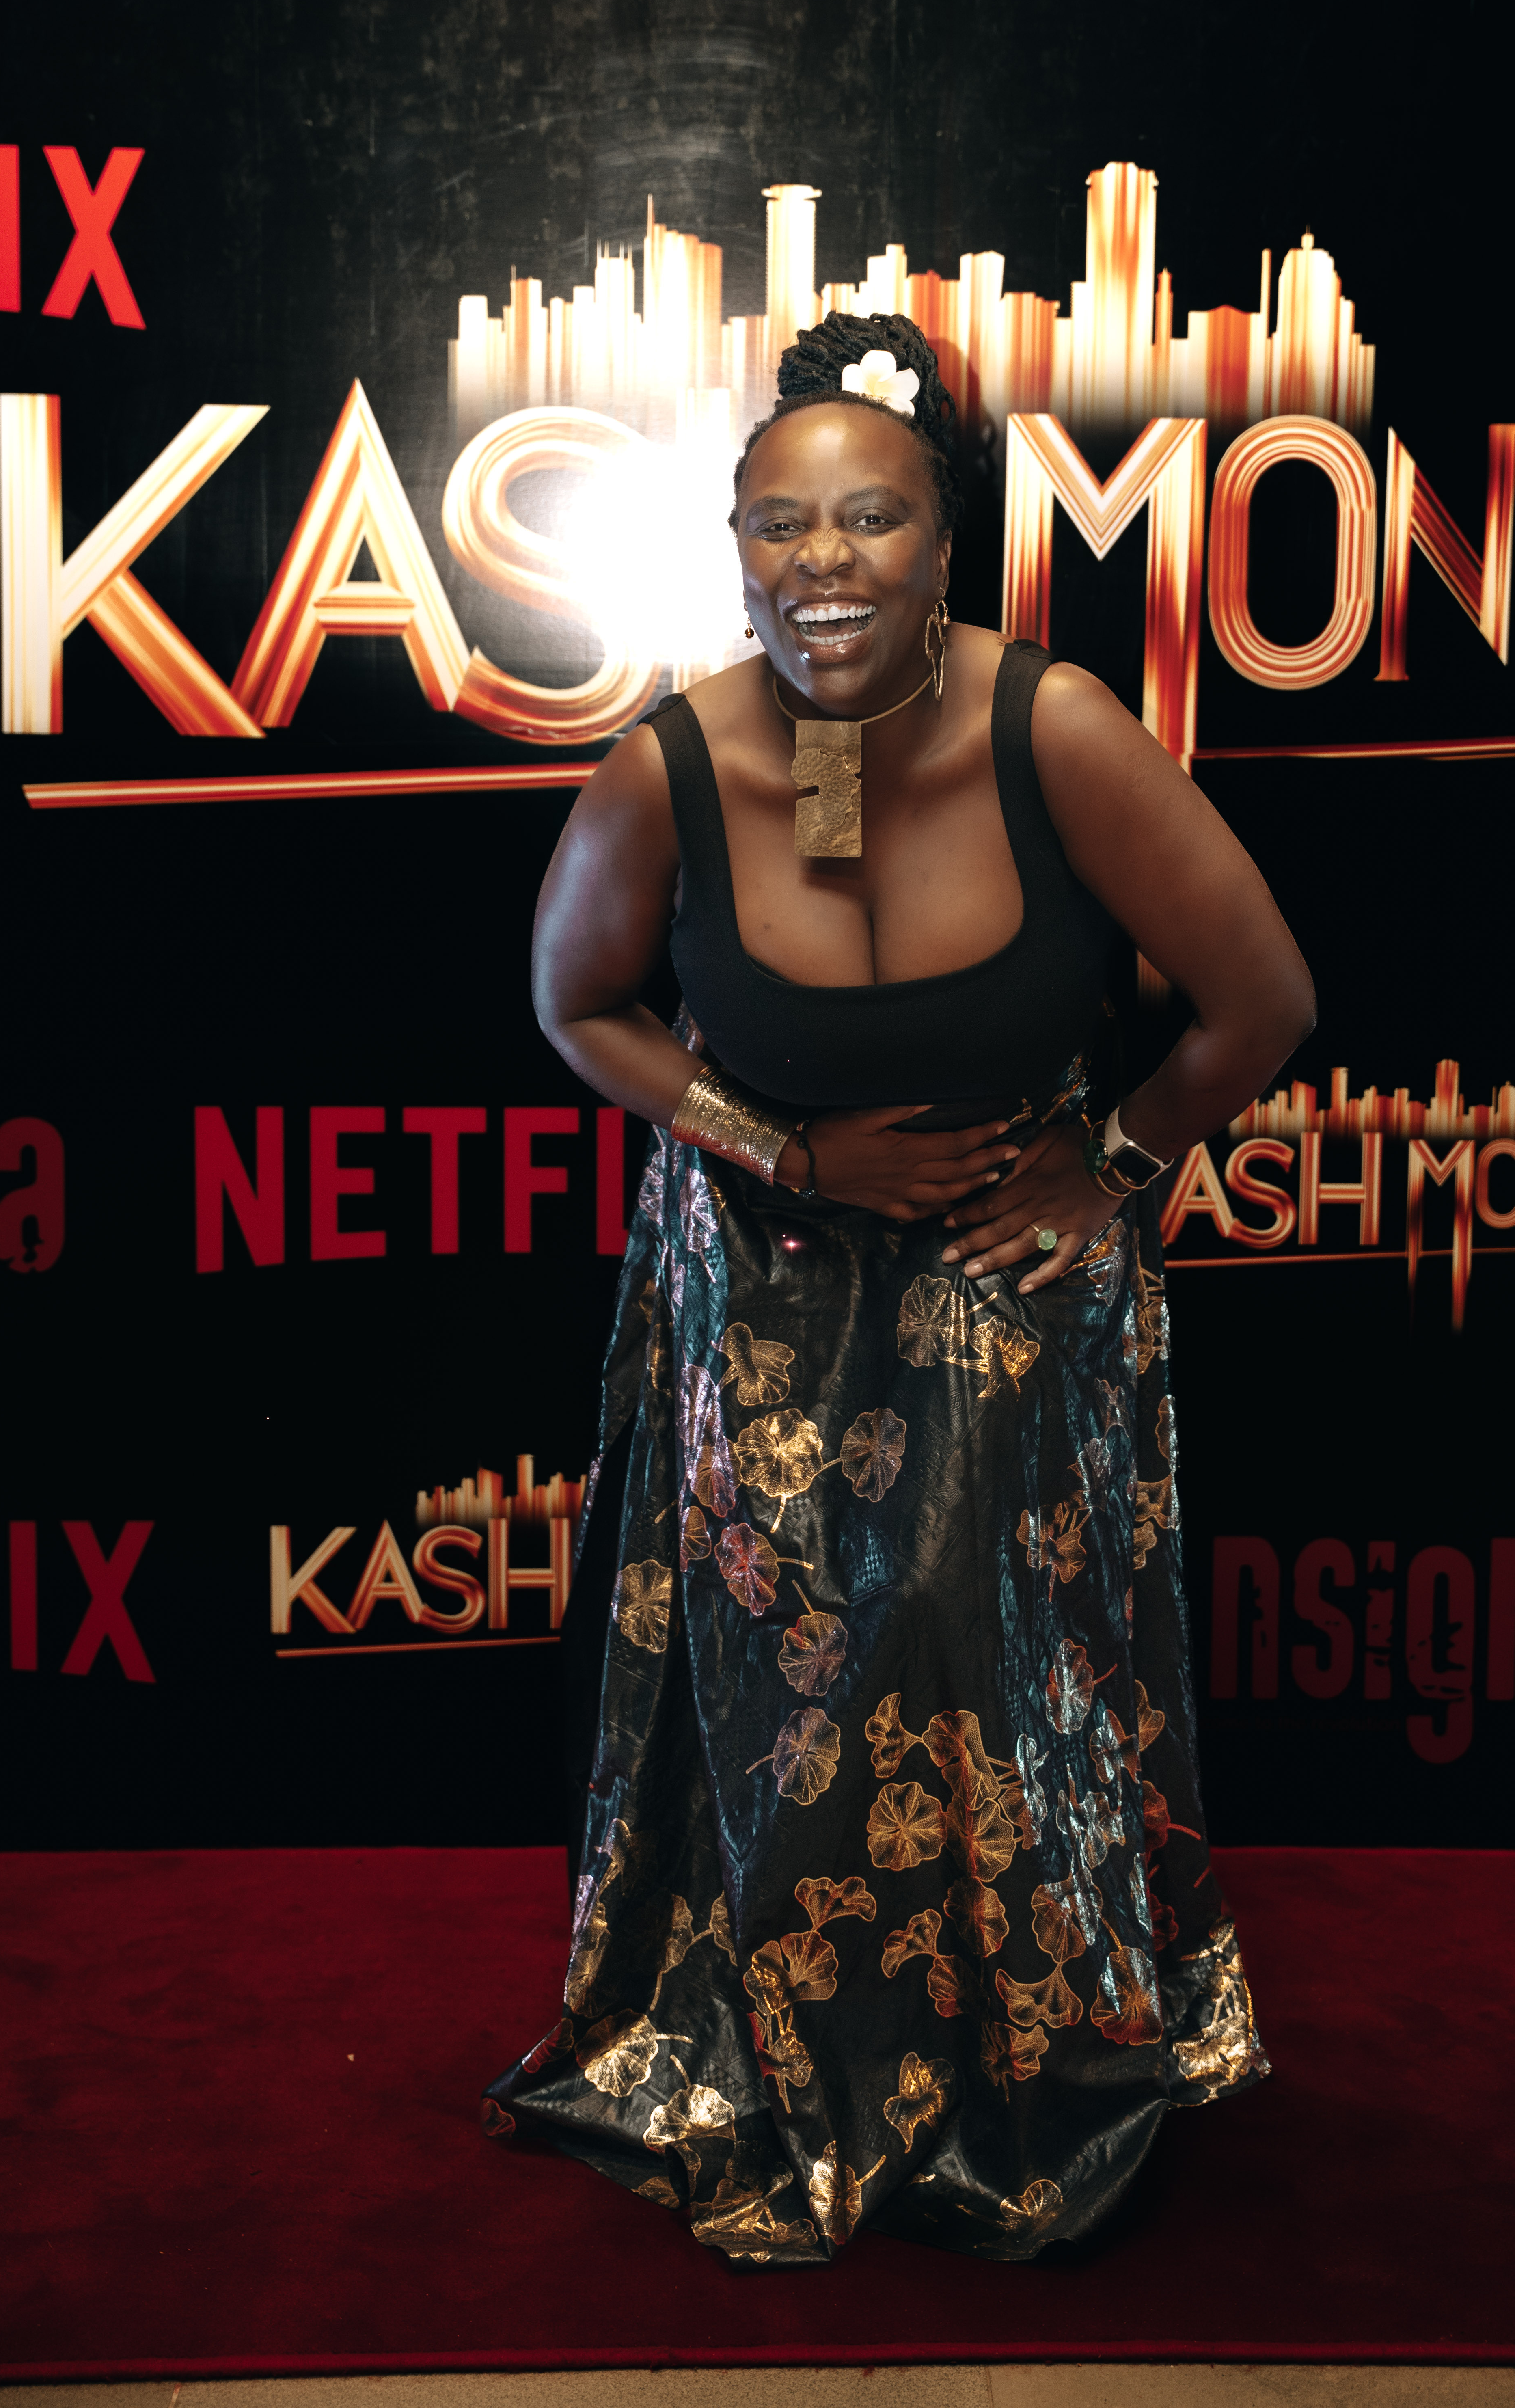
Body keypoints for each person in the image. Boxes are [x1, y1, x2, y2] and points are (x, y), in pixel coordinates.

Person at [483, 311, 1316, 2264]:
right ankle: (786, 2054)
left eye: (870, 518)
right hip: (760, 1278)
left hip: (1000, 1256)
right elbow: (578, 1007)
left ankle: (1018, 2065)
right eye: (780, 524)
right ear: (734, 550)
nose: (823, 562)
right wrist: (781, 1153)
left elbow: (1262, 1002)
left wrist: (1107, 1168)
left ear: (948, 544)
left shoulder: (1058, 732)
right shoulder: (671, 763)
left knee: (964, 1644)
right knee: (788, 1680)